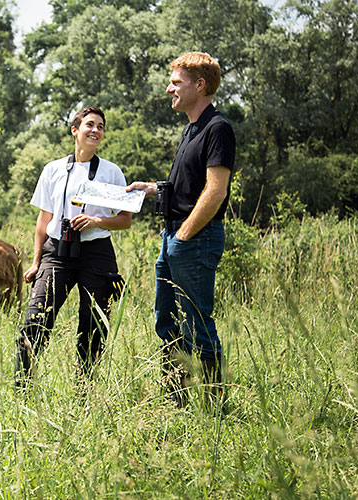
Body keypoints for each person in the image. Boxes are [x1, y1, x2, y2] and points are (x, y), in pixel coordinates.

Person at [126, 52, 236, 403]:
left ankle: (215, 406)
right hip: (171, 237)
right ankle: (176, 400)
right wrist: (153, 189)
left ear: (199, 85)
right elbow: (188, 186)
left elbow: (215, 191)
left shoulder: (218, 127)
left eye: (176, 82)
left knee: (197, 324)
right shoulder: (192, 128)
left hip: (194, 240)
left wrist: (185, 234)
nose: (169, 88)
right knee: (168, 321)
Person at [15, 106, 132, 388]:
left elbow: (125, 220)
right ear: (75, 131)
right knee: (36, 320)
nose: (95, 130)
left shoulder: (111, 172)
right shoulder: (53, 169)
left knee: (93, 325)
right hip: (57, 251)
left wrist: (95, 221)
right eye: (90, 124)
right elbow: (43, 219)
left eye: (101, 126)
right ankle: (21, 388)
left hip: (97, 252)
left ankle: (84, 391)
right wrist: (35, 261)